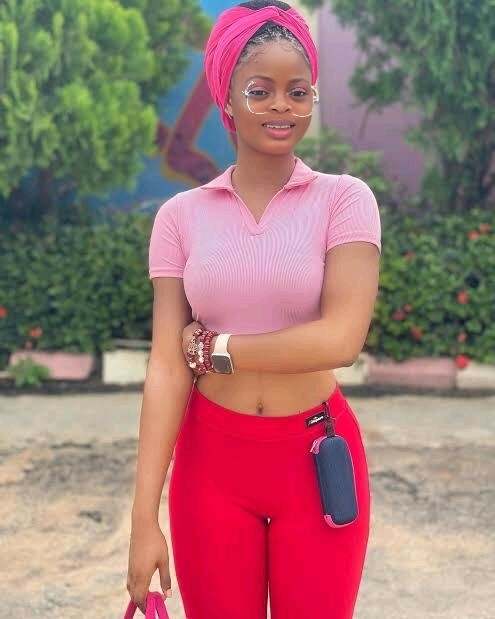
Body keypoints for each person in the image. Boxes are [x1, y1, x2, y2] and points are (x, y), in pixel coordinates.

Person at [127, 1, 381, 617]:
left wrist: (217, 349)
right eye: (260, 90)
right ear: (227, 98)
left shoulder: (344, 201)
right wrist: (143, 517)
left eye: (298, 91)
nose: (281, 106)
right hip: (211, 466)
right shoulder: (180, 217)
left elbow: (340, 340)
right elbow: (166, 366)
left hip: (315, 459)